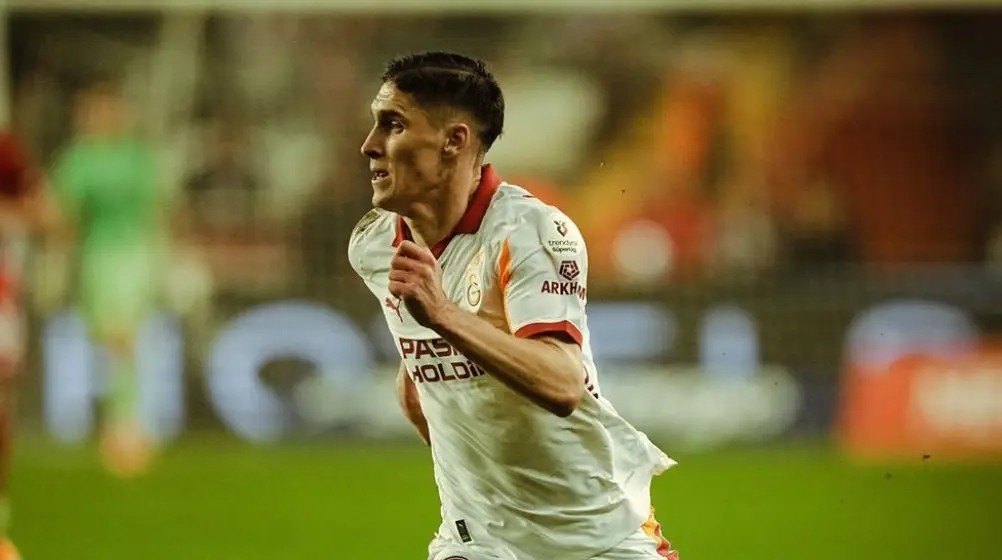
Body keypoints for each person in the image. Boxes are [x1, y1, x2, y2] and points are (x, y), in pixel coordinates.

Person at [348, 52, 679, 560]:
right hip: (479, 541)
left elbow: (562, 383)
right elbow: (416, 378)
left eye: (393, 125)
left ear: (454, 141)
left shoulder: (531, 231)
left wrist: (443, 315)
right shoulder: (373, 246)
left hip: (599, 537)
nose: (369, 145)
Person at [52, 79, 168, 477]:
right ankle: (122, 421)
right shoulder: (79, 159)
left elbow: (156, 208)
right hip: (95, 257)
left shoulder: (136, 157)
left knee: (124, 337)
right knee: (110, 339)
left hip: (134, 255)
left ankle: (124, 426)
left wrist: (165, 256)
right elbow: (62, 212)